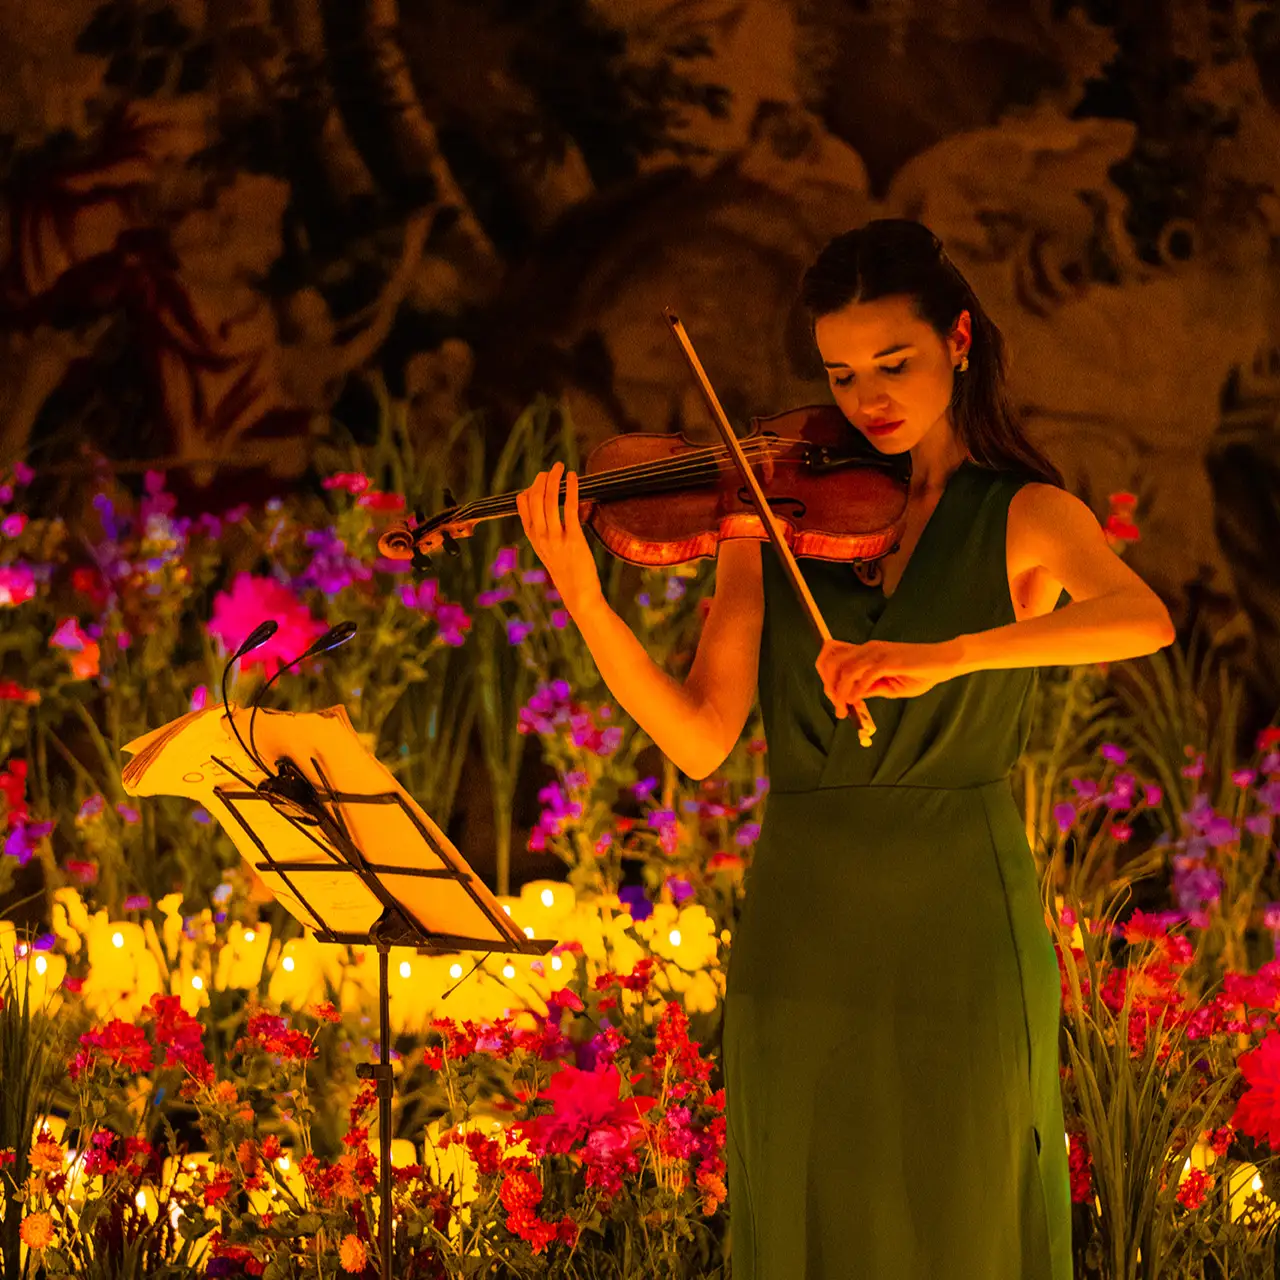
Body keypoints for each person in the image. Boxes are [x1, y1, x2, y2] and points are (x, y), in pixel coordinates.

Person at [516, 218, 1174, 1279]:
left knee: (962, 1206)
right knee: (807, 1206)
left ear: (958, 340)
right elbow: (696, 740)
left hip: (957, 913)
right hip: (803, 919)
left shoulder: (1026, 514)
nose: (866, 395)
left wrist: (950, 652)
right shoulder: (765, 516)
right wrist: (585, 598)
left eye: (892, 361)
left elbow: (1140, 618)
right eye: (838, 370)